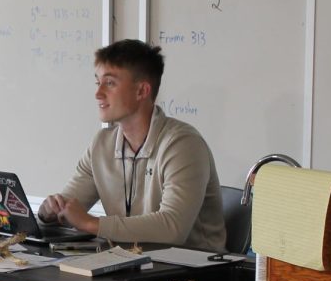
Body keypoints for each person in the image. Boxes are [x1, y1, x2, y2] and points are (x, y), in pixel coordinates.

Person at [38, 40, 227, 250]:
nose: (98, 93)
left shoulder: (183, 145)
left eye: (109, 83)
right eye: (97, 82)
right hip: (133, 265)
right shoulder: (101, 144)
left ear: (141, 91)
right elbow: (70, 206)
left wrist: (92, 224)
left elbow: (173, 228)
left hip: (194, 273)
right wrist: (49, 211)